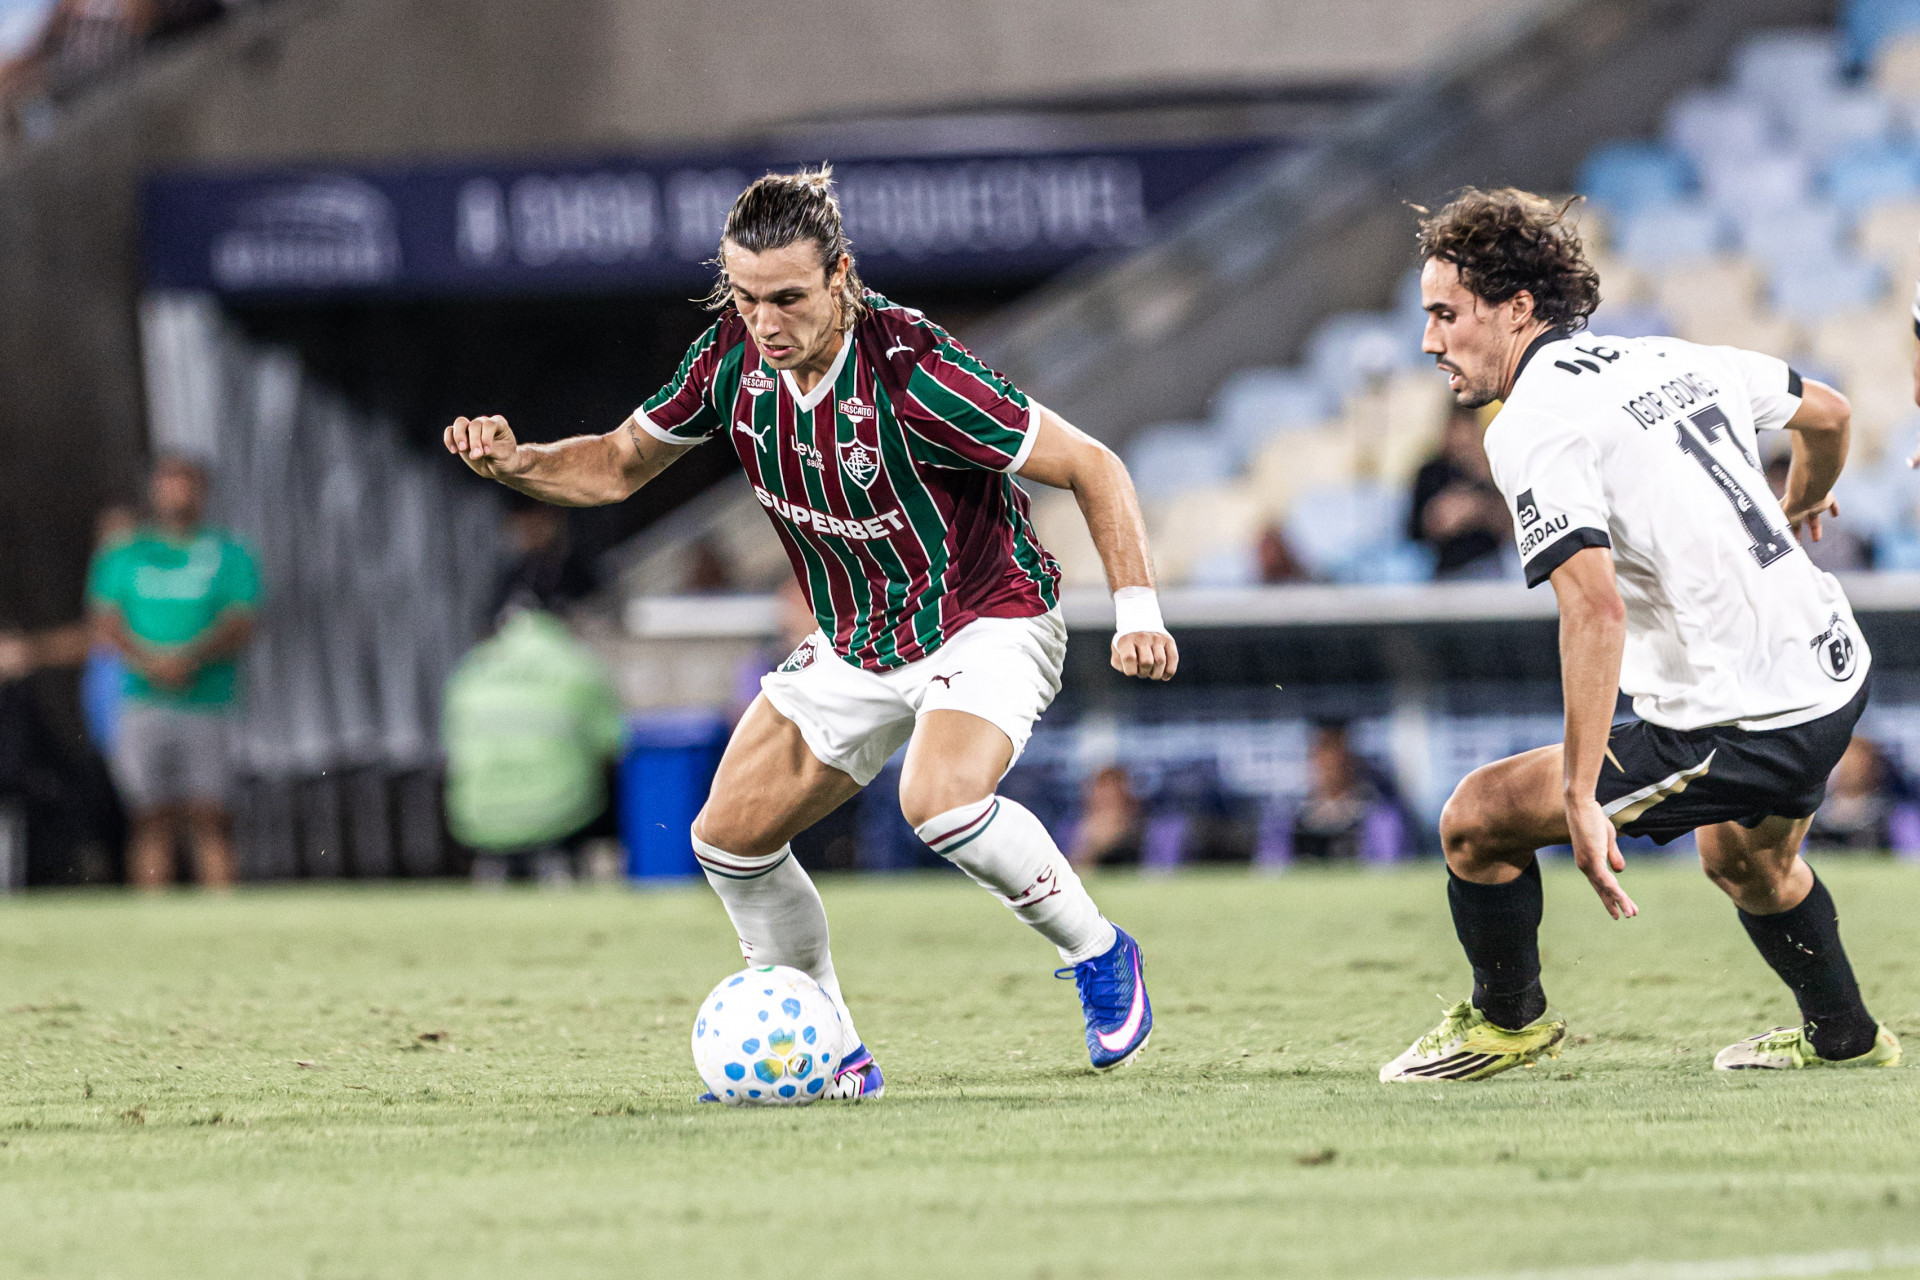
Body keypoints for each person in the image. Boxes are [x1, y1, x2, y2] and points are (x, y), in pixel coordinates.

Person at [445, 166, 1176, 1098]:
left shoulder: (914, 368)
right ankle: (832, 1048)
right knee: (727, 838)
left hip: (984, 618)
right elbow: (619, 466)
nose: (766, 322)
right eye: (746, 299)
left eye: (788, 297)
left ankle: (1100, 953)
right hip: (855, 638)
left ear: (842, 277)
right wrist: (521, 464)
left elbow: (1095, 465)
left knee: (940, 801)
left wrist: (1138, 611)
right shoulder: (729, 362)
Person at [1380, 188, 1895, 1082]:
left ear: (1516, 309)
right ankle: (1845, 1036)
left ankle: (1506, 1024)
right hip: (1833, 667)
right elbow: (1832, 413)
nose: (1430, 342)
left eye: (1444, 315)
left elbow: (1594, 610)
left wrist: (1579, 794)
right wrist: (1805, 496)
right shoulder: (1660, 354)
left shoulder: (1532, 422)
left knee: (1477, 820)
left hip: (1746, 713)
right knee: (1747, 861)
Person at [86, 456, 259, 890]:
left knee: (210, 815)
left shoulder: (228, 553)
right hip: (143, 699)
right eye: (169, 483)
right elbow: (105, 620)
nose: (177, 492)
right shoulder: (126, 554)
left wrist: (190, 658)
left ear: (202, 491)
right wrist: (150, 661)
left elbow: (242, 620)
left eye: (187, 483)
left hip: (206, 700)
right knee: (150, 816)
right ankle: (151, 924)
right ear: (154, 490)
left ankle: (223, 921)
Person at [443, 607, 624, 887]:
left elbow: (451, 747)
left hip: (478, 817)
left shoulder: (472, 668)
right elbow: (614, 744)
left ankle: (492, 870)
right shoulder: (577, 665)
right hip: (561, 814)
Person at [1407, 405, 1512, 579]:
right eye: (1456, 429)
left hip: (1491, 568)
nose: (1461, 439)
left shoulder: (1492, 467)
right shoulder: (1432, 472)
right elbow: (1415, 529)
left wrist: (1478, 509)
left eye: (1468, 430)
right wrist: (1442, 515)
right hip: (1448, 571)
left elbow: (1511, 523)